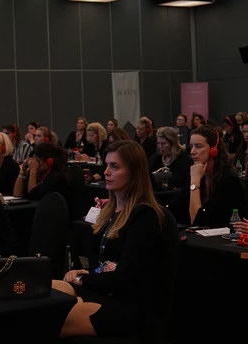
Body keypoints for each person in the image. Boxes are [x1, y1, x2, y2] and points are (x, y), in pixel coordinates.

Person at [51, 140, 168, 339]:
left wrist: (83, 279)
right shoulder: (112, 211)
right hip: (107, 290)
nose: (106, 172)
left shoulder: (144, 217)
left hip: (128, 305)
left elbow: (124, 278)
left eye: (115, 167)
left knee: (48, 315)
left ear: (134, 172)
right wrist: (86, 273)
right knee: (46, 290)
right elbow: (106, 264)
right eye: (107, 165)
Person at [168, 125, 248, 227]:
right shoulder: (196, 172)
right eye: (191, 146)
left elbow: (198, 221)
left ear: (213, 150)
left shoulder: (227, 179)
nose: (192, 152)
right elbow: (177, 207)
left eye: (198, 146)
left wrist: (195, 183)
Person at [13, 143, 77, 218]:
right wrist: (22, 171)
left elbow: (33, 195)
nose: (34, 164)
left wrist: (33, 171)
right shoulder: (38, 175)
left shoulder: (56, 178)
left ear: (49, 161)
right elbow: (17, 194)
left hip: (53, 216)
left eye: (37, 161)